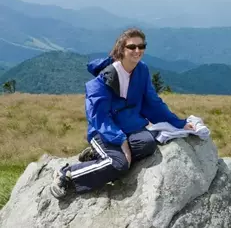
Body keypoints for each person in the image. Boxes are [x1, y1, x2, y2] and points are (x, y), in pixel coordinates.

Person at [50, 28, 194, 199]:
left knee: (147, 144)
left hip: (130, 125)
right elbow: (99, 118)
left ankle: (98, 155)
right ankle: (67, 174)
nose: (137, 51)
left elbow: (153, 102)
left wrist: (178, 123)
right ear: (121, 49)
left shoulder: (142, 70)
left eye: (141, 46)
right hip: (103, 131)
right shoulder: (102, 80)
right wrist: (122, 142)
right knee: (120, 164)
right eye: (132, 47)